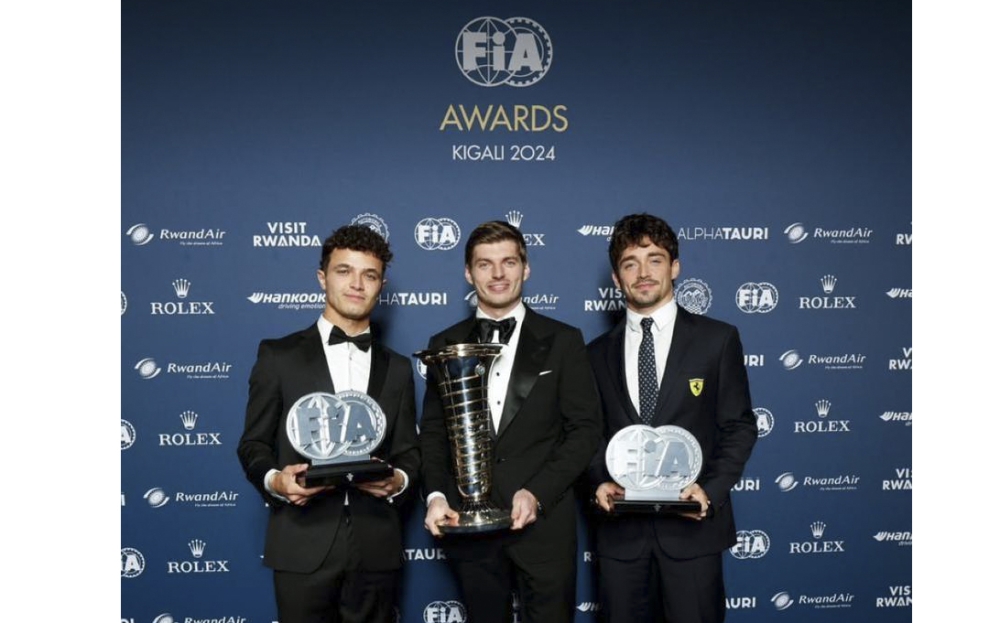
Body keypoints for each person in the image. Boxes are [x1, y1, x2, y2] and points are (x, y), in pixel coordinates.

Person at [419, 220, 602, 623]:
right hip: (469, 527)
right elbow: (433, 434)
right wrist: (435, 496)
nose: (498, 274)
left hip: (545, 526)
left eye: (508, 262)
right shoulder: (444, 344)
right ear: (469, 273)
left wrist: (536, 492)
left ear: (526, 268)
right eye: (485, 264)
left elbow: (585, 430)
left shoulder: (564, 340)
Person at [237, 224, 420, 623]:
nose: (357, 284)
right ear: (322, 277)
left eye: (368, 275)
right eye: (344, 271)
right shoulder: (278, 356)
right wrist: (277, 482)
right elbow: (253, 445)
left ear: (381, 285)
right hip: (301, 542)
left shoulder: (400, 368)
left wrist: (398, 482)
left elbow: (409, 452)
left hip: (376, 547)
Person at [587, 213, 758, 623]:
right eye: (630, 263)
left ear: (675, 267)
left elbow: (739, 425)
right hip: (621, 537)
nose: (643, 273)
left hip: (692, 532)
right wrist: (597, 480)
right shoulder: (593, 353)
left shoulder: (717, 339)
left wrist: (710, 491)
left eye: (655, 259)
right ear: (616, 277)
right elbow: (586, 432)